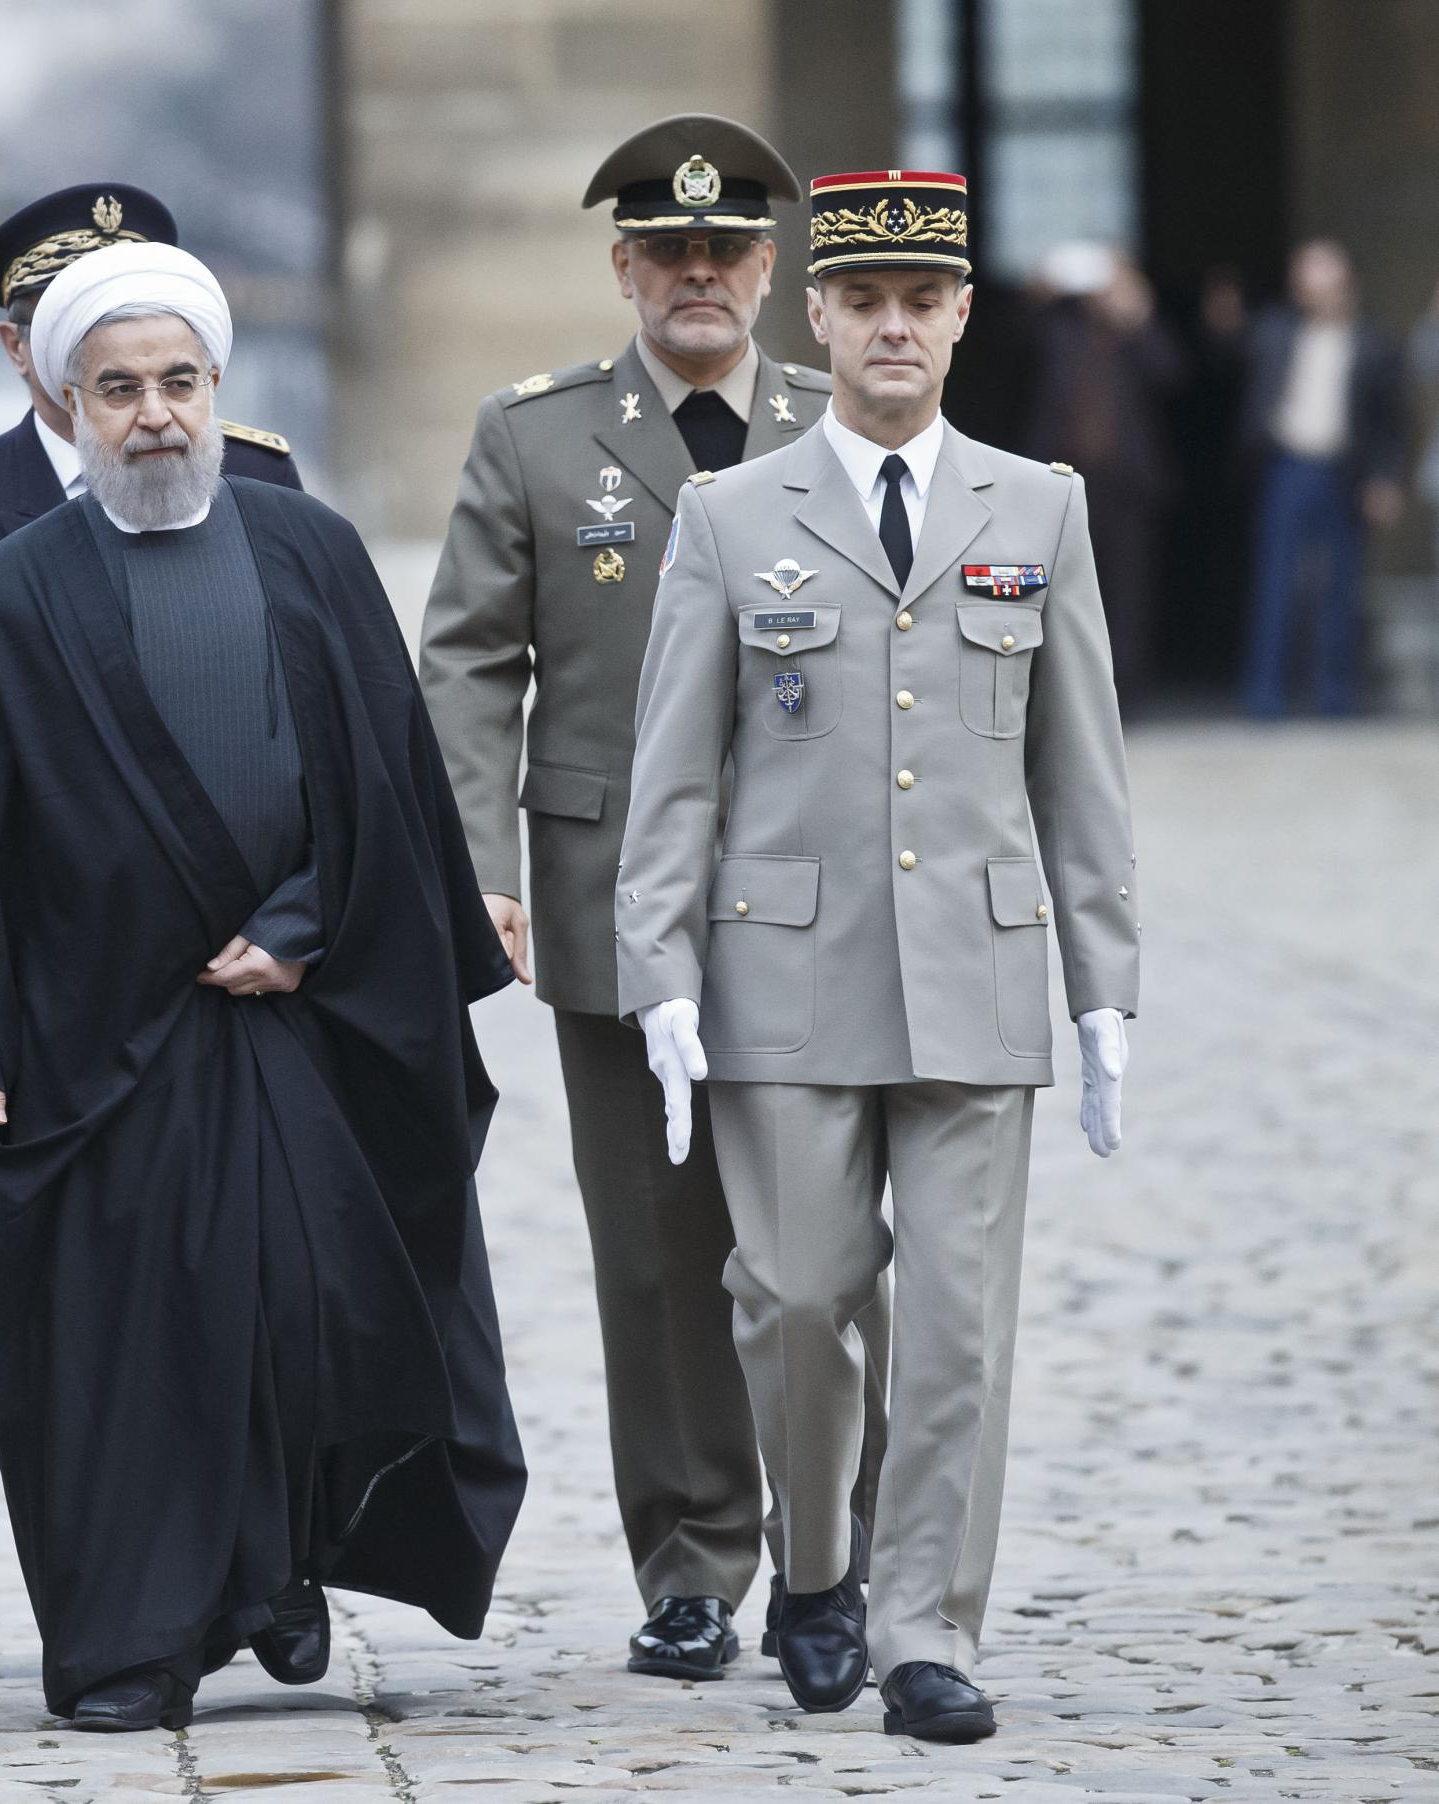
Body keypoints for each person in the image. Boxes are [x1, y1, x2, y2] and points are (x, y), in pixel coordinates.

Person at [0, 242, 525, 1734]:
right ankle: (131, 1647)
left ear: (218, 389)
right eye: (117, 390)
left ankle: (280, 1569)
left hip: (303, 1018)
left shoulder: (312, 552)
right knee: (140, 1351)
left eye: (177, 384)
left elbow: (386, 785)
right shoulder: (13, 589)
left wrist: (306, 923)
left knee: (307, 1314)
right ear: (63, 399)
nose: (152, 415)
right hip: (98, 1036)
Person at [617, 169, 1139, 1742]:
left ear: (963, 316)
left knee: (964, 1326)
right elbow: (677, 770)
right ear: (820, 314)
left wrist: (1107, 985)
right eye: (867, 302)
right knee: (792, 1293)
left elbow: (1080, 764)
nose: (896, 327)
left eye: (926, 302)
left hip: (977, 974)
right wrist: (659, 975)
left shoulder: (1037, 505)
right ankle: (823, 1563)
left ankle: (927, 1632)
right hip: (785, 977)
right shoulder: (729, 514)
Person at [417, 113, 883, 1682]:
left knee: (826, 1247)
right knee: (660, 1251)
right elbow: (472, 660)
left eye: (729, 250)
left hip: (824, 902)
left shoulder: (840, 423)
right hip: (618, 900)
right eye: (669, 252)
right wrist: (479, 863)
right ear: (623, 267)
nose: (700, 275)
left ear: (772, 270)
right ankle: (692, 1560)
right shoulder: (538, 434)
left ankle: (841, 1551)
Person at [0, 183, 301, 1016]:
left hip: (238, 942)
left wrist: (305, 918)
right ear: (20, 346)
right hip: (37, 955)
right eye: (72, 319)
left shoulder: (259, 476)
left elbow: (313, 720)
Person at [1238, 238, 1406, 717]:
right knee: (1277, 584)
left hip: (1344, 472)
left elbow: (1391, 422)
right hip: (1286, 468)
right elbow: (1232, 348)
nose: (1309, 285)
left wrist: (1384, 480)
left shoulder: (1373, 341)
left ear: (1345, 279)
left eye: (1320, 273)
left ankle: (1335, 695)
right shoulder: (1277, 331)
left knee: (1340, 585)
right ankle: (1265, 695)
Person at [1019, 243, 1182, 714]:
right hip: (1062, 478)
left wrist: (1137, 316)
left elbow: (1172, 374)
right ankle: (1063, 698)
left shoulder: (1134, 334)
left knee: (1126, 592)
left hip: (1127, 483)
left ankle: (1126, 696)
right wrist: (1040, 292)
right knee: (1057, 591)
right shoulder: (1059, 326)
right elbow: (1012, 344)